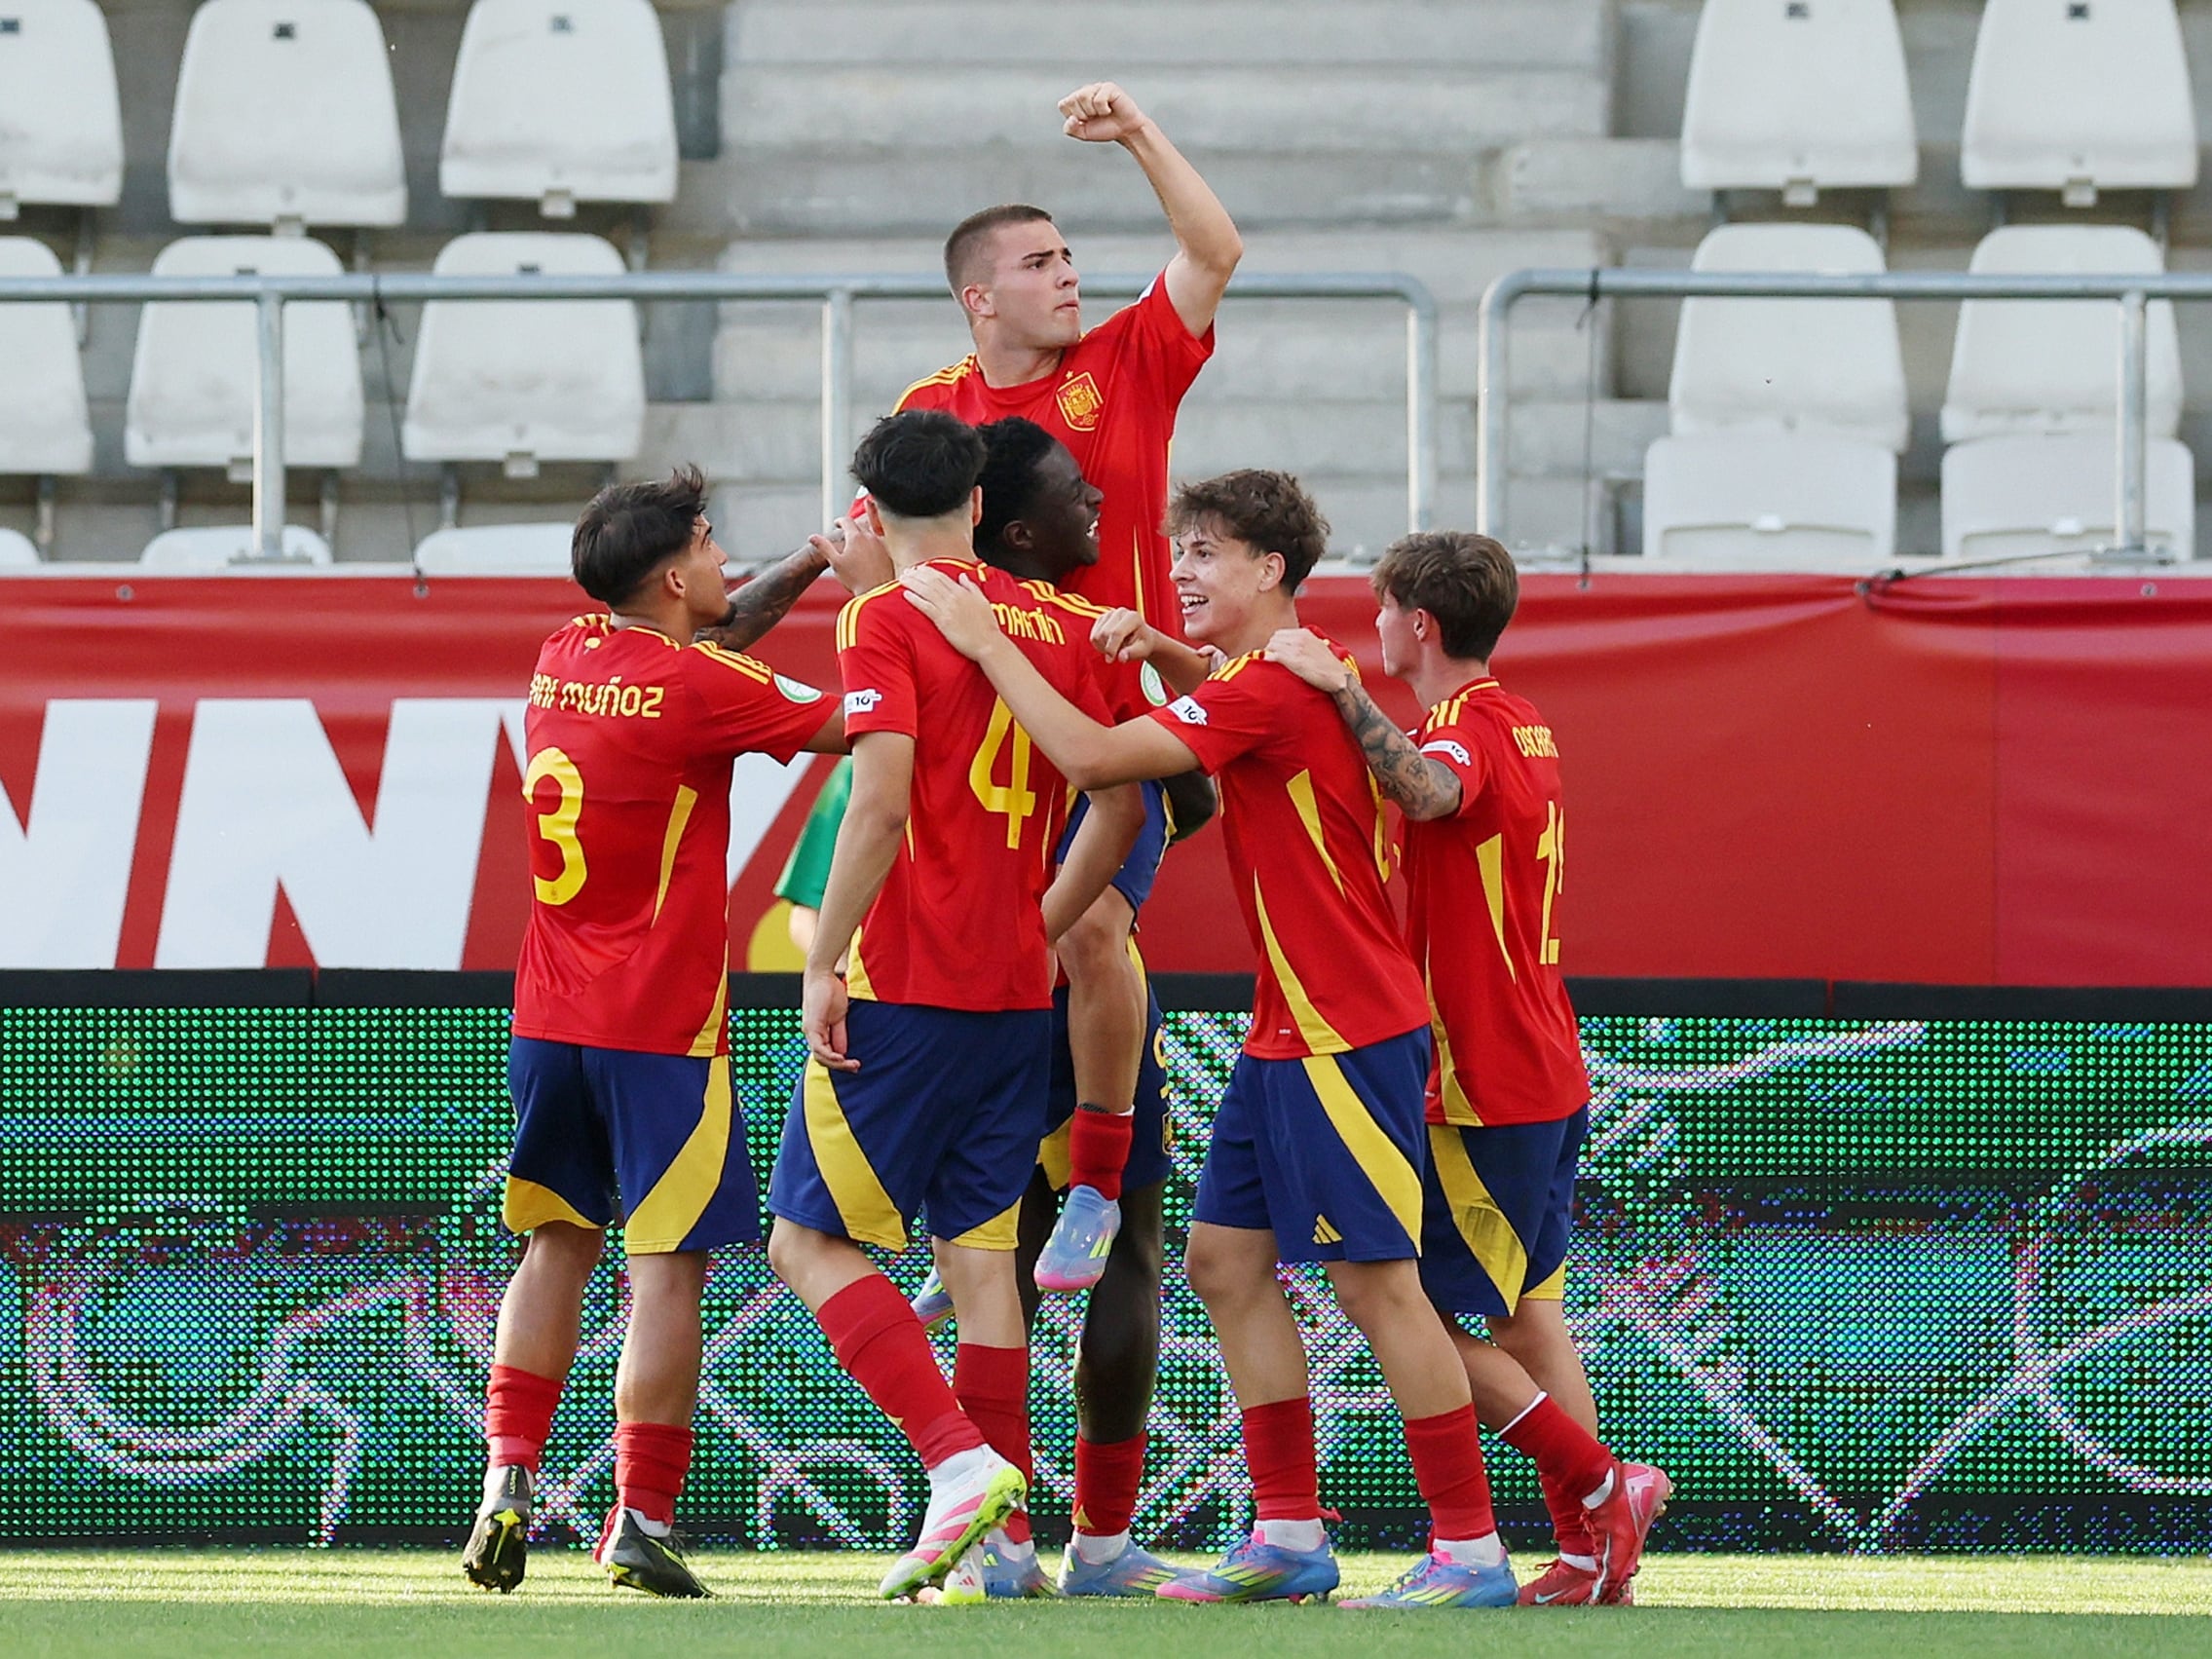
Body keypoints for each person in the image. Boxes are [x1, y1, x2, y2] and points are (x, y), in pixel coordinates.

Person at [900, 471, 1520, 1610]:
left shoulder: (1270, 687)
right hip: (1290, 1028)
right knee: (1223, 1262)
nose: (1177, 571)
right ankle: (1288, 1531)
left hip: (1344, 1027)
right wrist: (1169, 657)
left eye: (1204, 554)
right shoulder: (1269, 674)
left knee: (1383, 1288)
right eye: (1178, 550)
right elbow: (1232, 710)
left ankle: (1471, 1548)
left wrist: (990, 645)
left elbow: (1091, 761)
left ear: (1270, 571)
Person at [763, 411, 1146, 1602]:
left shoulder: (883, 613)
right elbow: (1124, 799)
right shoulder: (1069, 625)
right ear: (980, 506)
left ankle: (959, 1460)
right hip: (1009, 989)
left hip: (908, 984)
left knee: (806, 1238)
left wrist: (824, 959)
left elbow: (878, 803)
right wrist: (1041, 918)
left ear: (867, 513)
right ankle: (1013, 1547)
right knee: (981, 1256)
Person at [1263, 532, 1671, 1605]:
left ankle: (1601, 1489)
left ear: (1422, 625)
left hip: (1481, 1077)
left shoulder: (1464, 725)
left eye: (1384, 609)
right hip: (1540, 1061)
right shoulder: (1523, 715)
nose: (1374, 627)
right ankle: (1592, 1553)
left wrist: (1343, 694)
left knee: (1411, 1311)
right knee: (1534, 1321)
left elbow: (1431, 792)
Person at [463, 467, 846, 1600]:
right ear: (676, 573)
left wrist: (813, 563)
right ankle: (639, 1513)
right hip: (663, 1029)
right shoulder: (697, 688)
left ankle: (505, 1480)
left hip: (549, 1019)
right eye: (712, 541)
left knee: (555, 1246)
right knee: (663, 1266)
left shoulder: (563, 653)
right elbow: (849, 721)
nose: (728, 557)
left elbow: (708, 647)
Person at [893, 82, 1241, 1276]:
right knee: (983, 953)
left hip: (1110, 716)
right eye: (1040, 262)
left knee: (1087, 922)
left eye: (1071, 254)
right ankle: (974, 1225)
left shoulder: (1128, 359)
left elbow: (1215, 248)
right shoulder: (930, 408)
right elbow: (895, 568)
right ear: (979, 296)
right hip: (986, 734)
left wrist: (1139, 131)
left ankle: (1095, 1182)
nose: (1068, 274)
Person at [897, 418, 1197, 1597]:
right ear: (1009, 522)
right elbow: (1169, 787)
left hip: (983, 987)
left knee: (994, 1258)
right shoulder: (1072, 633)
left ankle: (1020, 1540)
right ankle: (1081, 1540)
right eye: (1078, 495)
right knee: (1087, 1254)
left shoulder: (925, 611)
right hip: (1014, 984)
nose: (1101, 510)